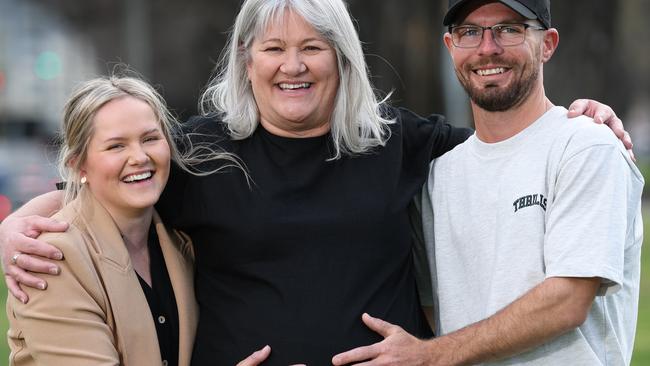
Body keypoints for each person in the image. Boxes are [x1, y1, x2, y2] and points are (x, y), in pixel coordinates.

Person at [0, 0, 632, 364]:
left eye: (314, 47)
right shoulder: (203, 152)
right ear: (246, 62)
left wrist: (581, 119)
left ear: (343, 57)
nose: (293, 65)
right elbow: (117, 180)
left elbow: (506, 144)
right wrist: (15, 224)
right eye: (273, 48)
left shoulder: (398, 140)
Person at [332, 0, 644, 365]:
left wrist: (429, 356)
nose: (487, 48)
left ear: (547, 44)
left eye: (509, 29)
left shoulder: (585, 147)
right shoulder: (435, 179)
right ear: (450, 47)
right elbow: (435, 312)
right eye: (469, 32)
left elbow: (567, 301)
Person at [4, 75, 271, 366]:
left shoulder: (180, 242)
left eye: (150, 139)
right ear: (78, 164)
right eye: (116, 146)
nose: (139, 157)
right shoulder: (50, 259)